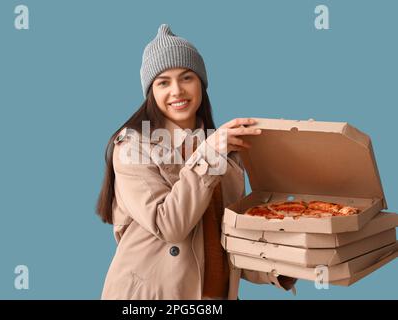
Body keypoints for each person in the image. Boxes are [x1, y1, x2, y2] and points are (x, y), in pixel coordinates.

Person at [97, 24, 296, 299]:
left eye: (187, 77)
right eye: (163, 82)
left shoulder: (223, 147)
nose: (177, 90)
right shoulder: (133, 147)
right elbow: (170, 226)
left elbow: (225, 240)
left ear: (201, 82)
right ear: (151, 91)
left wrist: (286, 266)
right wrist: (211, 154)